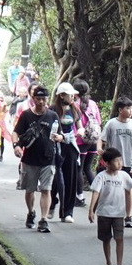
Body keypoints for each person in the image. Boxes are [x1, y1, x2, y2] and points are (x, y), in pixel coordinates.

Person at [13, 85, 62, 233]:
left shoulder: (53, 116)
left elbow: (60, 134)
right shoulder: (26, 115)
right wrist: (16, 146)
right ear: (33, 99)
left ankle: (44, 219)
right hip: (29, 159)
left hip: (48, 158)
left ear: (47, 99)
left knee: (46, 189)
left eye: (44, 99)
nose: (41, 102)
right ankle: (31, 212)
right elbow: (16, 132)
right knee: (30, 190)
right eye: (38, 98)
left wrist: (59, 137)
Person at [88, 147, 132, 265]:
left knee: (119, 238)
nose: (120, 163)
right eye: (116, 161)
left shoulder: (124, 176)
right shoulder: (101, 177)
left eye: (120, 160)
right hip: (104, 213)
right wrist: (91, 210)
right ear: (107, 163)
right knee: (106, 239)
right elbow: (96, 193)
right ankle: (108, 263)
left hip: (119, 214)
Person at [50, 81, 83, 222]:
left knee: (70, 179)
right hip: (55, 149)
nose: (73, 97)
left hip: (70, 147)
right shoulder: (52, 110)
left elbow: (79, 126)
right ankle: (52, 203)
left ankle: (67, 212)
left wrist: (80, 131)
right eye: (70, 95)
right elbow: (49, 131)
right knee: (55, 180)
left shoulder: (75, 110)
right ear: (62, 95)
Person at [75, 80, 102, 201]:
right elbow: (99, 122)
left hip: (81, 141)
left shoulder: (75, 104)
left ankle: (79, 196)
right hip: (94, 140)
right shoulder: (93, 103)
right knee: (88, 168)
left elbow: (75, 124)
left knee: (79, 169)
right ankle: (100, 194)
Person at [100, 96, 132, 176]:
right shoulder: (111, 123)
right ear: (120, 110)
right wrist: (99, 148)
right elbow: (102, 138)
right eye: (128, 108)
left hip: (130, 161)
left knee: (128, 184)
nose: (131, 111)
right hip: (114, 161)